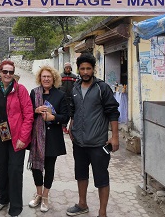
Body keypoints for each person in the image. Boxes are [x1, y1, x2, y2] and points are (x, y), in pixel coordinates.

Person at [66, 53, 120, 217]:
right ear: (79, 69)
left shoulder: (102, 88)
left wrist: (115, 136)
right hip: (79, 142)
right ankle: (82, 204)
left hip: (98, 143)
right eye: (82, 68)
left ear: (93, 69)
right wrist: (71, 125)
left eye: (88, 68)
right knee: (81, 174)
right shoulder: (75, 87)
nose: (85, 72)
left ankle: (102, 213)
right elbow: (74, 110)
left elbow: (113, 112)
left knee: (101, 177)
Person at [0, 60, 34, 217]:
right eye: (4, 72)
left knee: (14, 169)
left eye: (10, 72)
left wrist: (23, 138)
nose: (7, 75)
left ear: (14, 74)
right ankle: (3, 198)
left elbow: (29, 116)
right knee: (1, 168)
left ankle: (16, 205)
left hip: (16, 137)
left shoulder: (21, 90)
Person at [28, 65, 69, 212]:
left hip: (52, 138)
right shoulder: (34, 93)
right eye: (44, 76)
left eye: (49, 77)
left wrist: (53, 117)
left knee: (49, 168)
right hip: (36, 138)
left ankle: (45, 196)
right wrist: (35, 110)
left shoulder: (60, 95)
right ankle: (38, 194)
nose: (46, 79)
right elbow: (26, 113)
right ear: (40, 78)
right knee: (35, 168)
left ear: (54, 79)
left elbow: (66, 116)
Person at [59, 62, 78, 134]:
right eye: (67, 68)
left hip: (71, 97)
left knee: (71, 113)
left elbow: (76, 87)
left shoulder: (74, 77)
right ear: (64, 68)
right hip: (63, 97)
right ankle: (63, 126)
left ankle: (70, 127)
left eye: (69, 68)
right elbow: (58, 86)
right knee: (64, 112)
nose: (68, 69)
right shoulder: (60, 76)